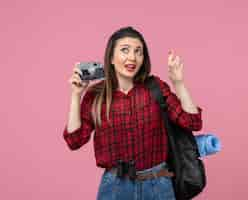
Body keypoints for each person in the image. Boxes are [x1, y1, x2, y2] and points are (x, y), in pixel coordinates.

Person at [63, 26, 203, 200]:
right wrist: (76, 96)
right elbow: (74, 141)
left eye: (138, 52)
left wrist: (179, 83)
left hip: (158, 185)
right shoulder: (96, 95)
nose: (132, 57)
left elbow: (193, 122)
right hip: (115, 187)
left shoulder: (155, 87)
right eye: (124, 50)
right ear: (111, 58)